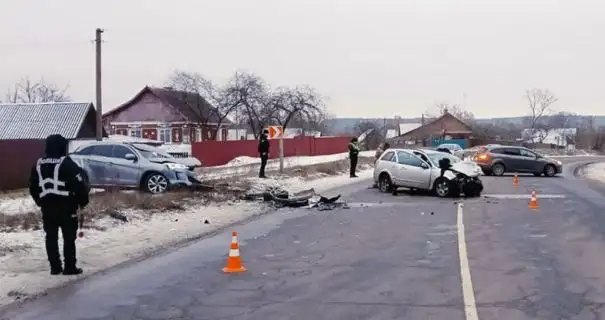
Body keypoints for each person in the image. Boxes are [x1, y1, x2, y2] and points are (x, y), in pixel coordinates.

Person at [29, 134, 89, 275]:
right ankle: (69, 267)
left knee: (51, 237)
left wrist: (39, 201)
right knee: (69, 237)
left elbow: (32, 187)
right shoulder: (67, 164)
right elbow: (80, 184)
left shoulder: (38, 165)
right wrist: (83, 202)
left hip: (47, 208)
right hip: (67, 207)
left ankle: (55, 267)